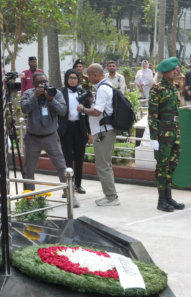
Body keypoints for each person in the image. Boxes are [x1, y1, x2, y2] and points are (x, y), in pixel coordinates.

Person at [20, 71, 73, 204]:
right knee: (29, 169)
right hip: (32, 137)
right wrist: (35, 96)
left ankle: (70, 196)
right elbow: (24, 109)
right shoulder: (28, 93)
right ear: (33, 84)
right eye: (39, 82)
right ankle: (29, 198)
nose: (42, 85)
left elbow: (63, 111)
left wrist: (51, 99)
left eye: (44, 81)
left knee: (61, 167)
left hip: (51, 136)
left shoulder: (56, 93)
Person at [78, 64, 120, 206]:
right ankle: (110, 195)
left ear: (95, 74)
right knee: (104, 164)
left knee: (103, 165)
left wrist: (83, 109)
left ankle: (111, 197)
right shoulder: (106, 86)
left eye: (89, 76)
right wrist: (92, 101)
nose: (89, 79)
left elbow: (97, 112)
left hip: (103, 132)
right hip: (104, 131)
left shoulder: (102, 89)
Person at [148, 57, 186, 212]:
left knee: (171, 165)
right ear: (165, 73)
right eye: (173, 70)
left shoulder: (173, 88)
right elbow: (153, 115)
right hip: (163, 133)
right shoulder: (157, 89)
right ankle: (161, 200)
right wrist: (153, 137)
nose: (176, 72)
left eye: (176, 69)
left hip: (173, 131)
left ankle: (169, 197)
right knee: (162, 166)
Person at [58, 70, 89, 198]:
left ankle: (78, 184)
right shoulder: (60, 92)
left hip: (79, 128)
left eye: (75, 78)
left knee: (79, 158)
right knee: (67, 159)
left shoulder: (83, 93)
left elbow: (87, 114)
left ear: (78, 79)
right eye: (70, 78)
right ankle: (67, 187)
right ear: (66, 79)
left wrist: (90, 132)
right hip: (65, 129)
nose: (73, 80)